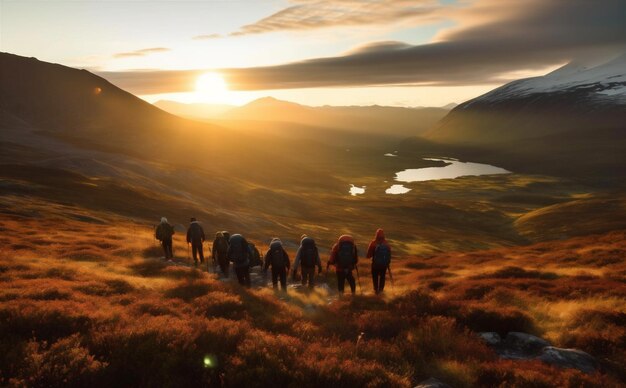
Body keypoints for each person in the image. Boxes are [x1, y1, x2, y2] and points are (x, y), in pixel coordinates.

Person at [366, 228, 392, 294]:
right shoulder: (386, 243)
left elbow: (368, 256)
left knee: (375, 277)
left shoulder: (373, 243)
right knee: (382, 277)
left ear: (376, 235)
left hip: (375, 265)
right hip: (384, 265)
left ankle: (375, 291)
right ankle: (381, 291)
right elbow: (389, 254)